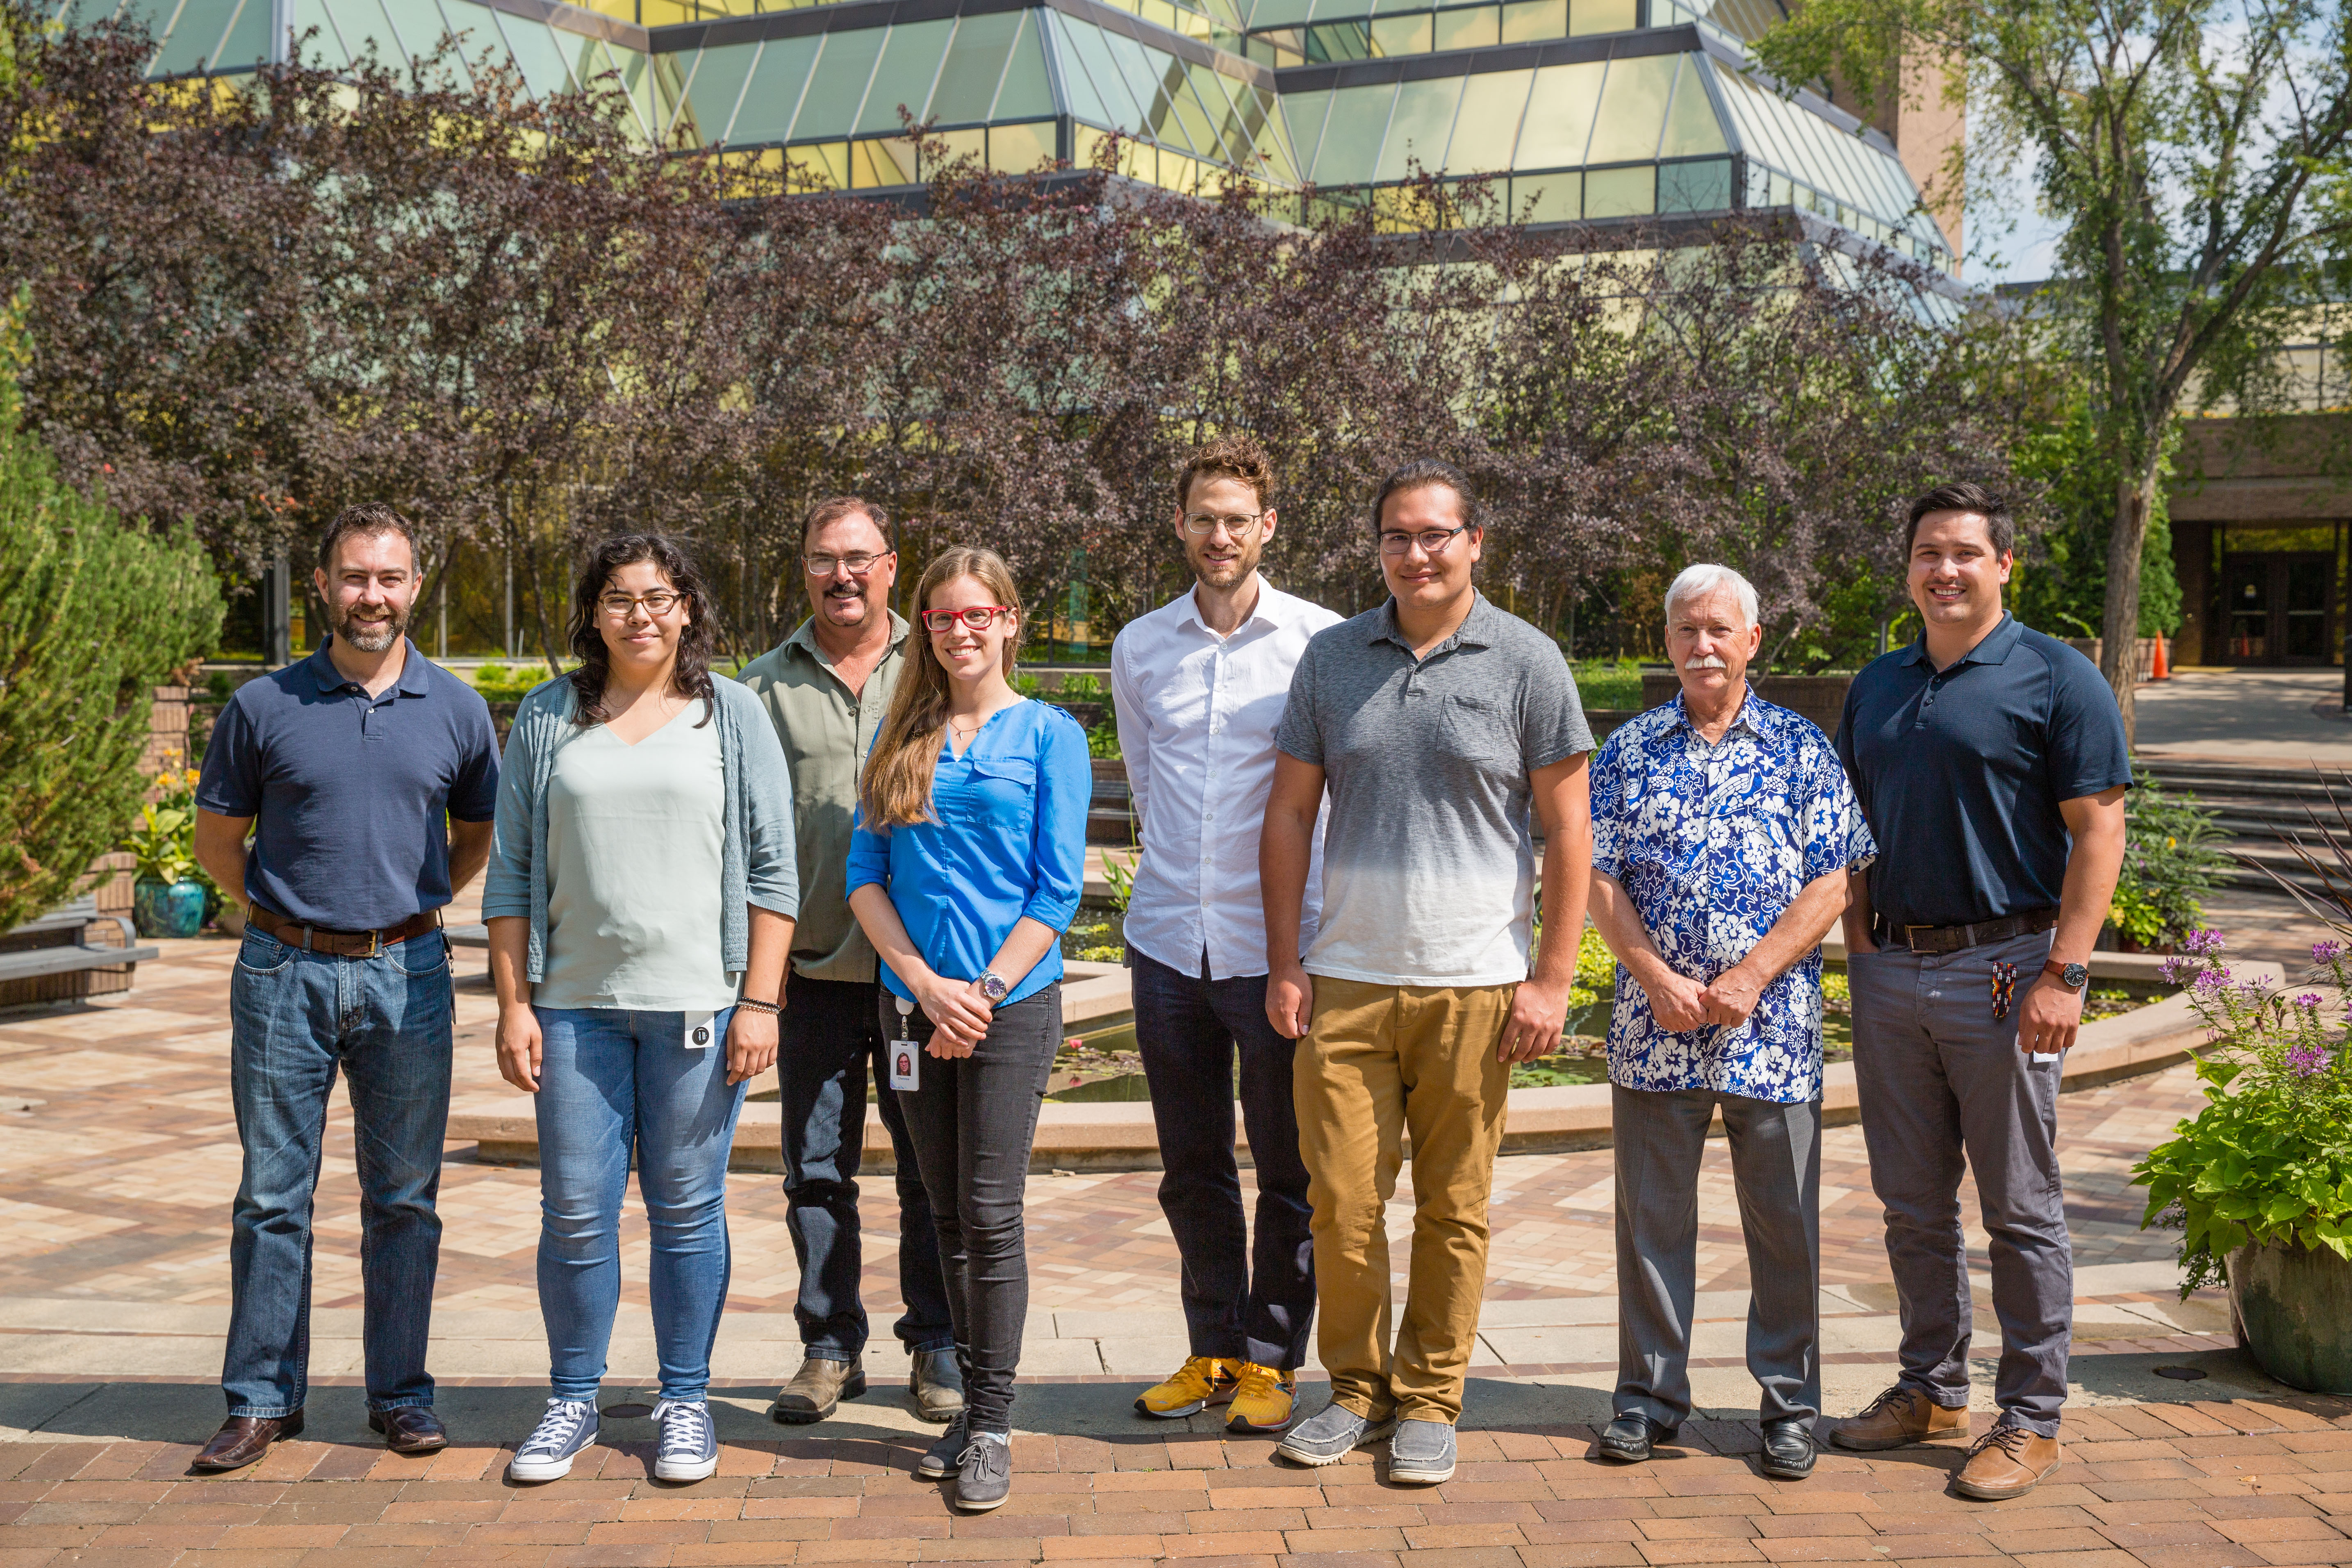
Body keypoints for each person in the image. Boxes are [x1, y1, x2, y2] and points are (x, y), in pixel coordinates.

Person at [1260, 460, 1594, 1486]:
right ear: (1378, 548)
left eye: (1436, 534)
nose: (1416, 552)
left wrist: (1550, 978)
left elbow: (1569, 825)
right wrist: (1286, 960)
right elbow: (1287, 815)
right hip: (1346, 979)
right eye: (1397, 536)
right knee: (1343, 1205)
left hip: (1476, 985)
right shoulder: (1331, 659)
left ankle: (1431, 1397)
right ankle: (1353, 1389)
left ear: (1475, 540)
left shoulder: (1528, 661)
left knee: (1455, 1205)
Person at [1832, 482, 2129, 1502]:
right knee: (1910, 1203)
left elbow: (2099, 829)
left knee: (2020, 1207)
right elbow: (1854, 826)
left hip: (2006, 967)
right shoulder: (1876, 683)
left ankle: (2033, 1413)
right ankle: (1930, 1384)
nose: (1943, 569)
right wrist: (1860, 940)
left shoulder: (2056, 675)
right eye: (1926, 551)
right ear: (1907, 565)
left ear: (2004, 563)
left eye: (1964, 551)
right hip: (1891, 968)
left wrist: (2067, 970)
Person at [189, 502, 499, 1472]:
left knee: (404, 1196)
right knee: (272, 1196)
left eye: (391, 577)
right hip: (282, 973)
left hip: (408, 972)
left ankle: (401, 1395)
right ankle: (261, 1399)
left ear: (416, 586)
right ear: (323, 584)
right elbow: (217, 843)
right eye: (356, 576)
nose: (374, 594)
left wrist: (402, 909)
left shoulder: (456, 709)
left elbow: (475, 834)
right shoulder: (263, 705)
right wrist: (292, 917)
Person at [483, 535, 798, 1485]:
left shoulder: (730, 713)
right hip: (574, 1007)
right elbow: (510, 873)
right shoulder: (548, 716)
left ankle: (685, 1399)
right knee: (576, 1213)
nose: (640, 615)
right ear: (594, 612)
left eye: (659, 597)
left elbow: (775, 870)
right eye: (619, 598)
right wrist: (512, 1003)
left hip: (699, 1010)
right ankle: (572, 1397)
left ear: (689, 608)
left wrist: (760, 1001)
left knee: (686, 1212)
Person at [1584, 564, 1876, 1482]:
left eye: (1719, 629)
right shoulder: (1629, 748)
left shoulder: (1799, 747)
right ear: (1665, 642)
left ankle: (1789, 1407)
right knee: (1649, 1224)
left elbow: (1832, 878)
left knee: (1784, 1225)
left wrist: (1750, 974)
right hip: (1653, 1026)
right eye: (1684, 630)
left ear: (1753, 640)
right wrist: (1655, 975)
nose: (1701, 645)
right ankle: (1647, 1398)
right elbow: (1596, 879)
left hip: (1773, 1030)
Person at [846, 547, 1090, 1513]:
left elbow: (1057, 888)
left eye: (976, 614)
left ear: (1010, 620)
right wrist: (919, 985)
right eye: (942, 618)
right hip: (910, 1006)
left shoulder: (1048, 735)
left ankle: (990, 1418)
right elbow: (864, 875)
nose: (959, 631)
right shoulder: (901, 734)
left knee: (990, 1216)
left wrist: (976, 993)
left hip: (1009, 1005)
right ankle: (968, 1411)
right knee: (942, 1214)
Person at [1110, 436, 1340, 1435]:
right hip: (1167, 943)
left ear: (1268, 528)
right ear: (1179, 524)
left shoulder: (1319, 645)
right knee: (1191, 1163)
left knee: (1289, 1169)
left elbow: (1328, 801)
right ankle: (1211, 1350)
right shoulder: (1138, 645)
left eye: (1236, 519)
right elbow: (1148, 783)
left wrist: (1310, 946)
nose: (1219, 535)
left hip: (1274, 950)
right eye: (1203, 517)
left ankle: (1273, 1360)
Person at [735, 498, 960, 1427]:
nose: (843, 575)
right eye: (824, 559)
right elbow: (742, 838)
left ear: (892, 564)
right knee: (817, 1169)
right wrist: (756, 966)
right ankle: (829, 1345)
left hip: (921, 974)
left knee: (926, 1170)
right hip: (814, 971)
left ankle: (937, 1339)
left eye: (859, 558)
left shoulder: (941, 662)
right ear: (804, 569)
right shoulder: (758, 689)